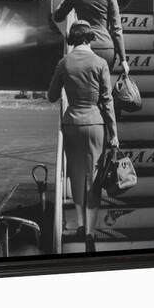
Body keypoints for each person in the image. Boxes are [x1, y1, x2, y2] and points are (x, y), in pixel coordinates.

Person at [47, 21, 119, 252]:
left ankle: (79, 224)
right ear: (89, 39)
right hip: (95, 123)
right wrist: (114, 134)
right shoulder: (100, 63)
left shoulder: (64, 63)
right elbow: (107, 102)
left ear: (73, 40)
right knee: (94, 178)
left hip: (72, 123)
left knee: (76, 174)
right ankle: (90, 232)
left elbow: (51, 96)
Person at [53, 0, 129, 75]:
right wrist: (123, 59)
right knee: (103, 90)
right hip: (106, 49)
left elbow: (58, 17)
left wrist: (61, 3)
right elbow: (117, 29)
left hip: (85, 48)